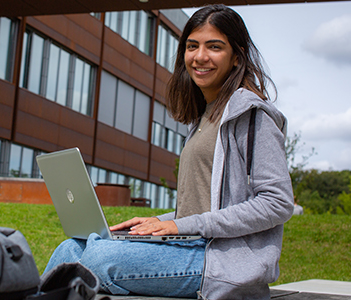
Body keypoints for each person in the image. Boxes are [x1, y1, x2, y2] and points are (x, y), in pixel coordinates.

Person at [43, 4, 294, 299]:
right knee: (72, 247)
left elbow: (277, 202)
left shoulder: (252, 115)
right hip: (188, 246)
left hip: (220, 261)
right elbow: (205, 207)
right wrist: (162, 222)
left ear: (236, 56)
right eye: (192, 46)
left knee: (101, 260)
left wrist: (178, 224)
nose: (200, 56)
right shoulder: (205, 117)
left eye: (214, 47)